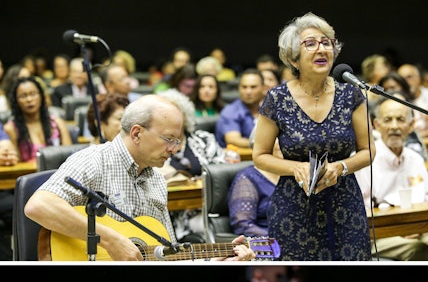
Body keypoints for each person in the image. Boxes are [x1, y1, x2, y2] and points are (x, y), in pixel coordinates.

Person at [25, 95, 255, 261]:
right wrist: (109, 239)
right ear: (137, 133)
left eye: (178, 141)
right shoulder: (93, 160)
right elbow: (38, 206)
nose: (175, 149)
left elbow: (167, 252)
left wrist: (219, 260)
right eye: (169, 139)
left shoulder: (156, 179)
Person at [252, 14, 373, 260]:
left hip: (345, 204)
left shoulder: (352, 95)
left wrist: (340, 167)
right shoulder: (277, 99)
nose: (322, 48)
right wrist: (297, 167)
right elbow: (260, 157)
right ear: (293, 58)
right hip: (294, 206)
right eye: (311, 43)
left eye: (326, 42)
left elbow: (368, 151)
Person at [355, 96, 428, 260]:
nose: (394, 126)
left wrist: (415, 229)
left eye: (400, 120)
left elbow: (427, 201)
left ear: (410, 126)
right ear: (377, 125)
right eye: (388, 120)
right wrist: (400, 230)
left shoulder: (416, 159)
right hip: (377, 235)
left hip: (416, 229)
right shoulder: (363, 160)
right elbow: (359, 212)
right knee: (418, 249)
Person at [4, 76, 72, 163]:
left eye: (33, 94)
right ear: (16, 101)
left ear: (41, 96)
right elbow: (16, 165)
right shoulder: (11, 129)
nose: (29, 99)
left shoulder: (58, 123)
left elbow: (69, 157)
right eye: (23, 96)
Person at [216, 68, 265, 149]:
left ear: (263, 88)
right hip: (236, 159)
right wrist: (265, 145)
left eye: (253, 87)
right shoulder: (230, 111)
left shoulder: (268, 110)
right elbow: (233, 140)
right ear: (239, 88)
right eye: (244, 87)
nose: (248, 92)